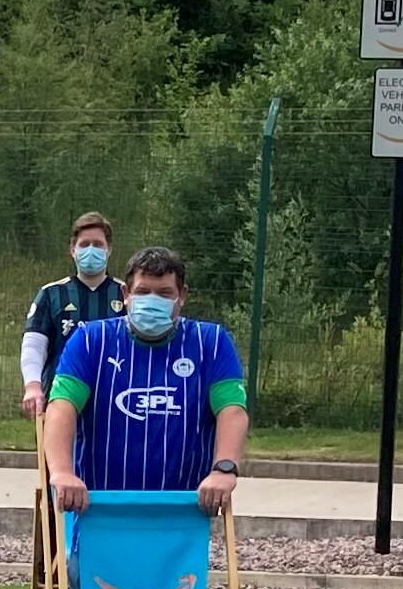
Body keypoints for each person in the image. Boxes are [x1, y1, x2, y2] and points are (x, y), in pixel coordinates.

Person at [41, 246, 249, 515]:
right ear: (126, 295)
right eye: (142, 292)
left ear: (181, 296)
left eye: (164, 293)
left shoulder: (211, 342)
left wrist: (224, 468)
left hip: (183, 512)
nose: (152, 300)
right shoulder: (90, 341)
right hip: (98, 508)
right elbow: (61, 407)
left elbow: (232, 409)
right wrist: (62, 472)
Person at [18, 212, 126, 418]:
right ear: (72, 250)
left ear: (109, 249)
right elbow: (34, 343)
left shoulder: (126, 294)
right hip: (60, 399)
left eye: (98, 244)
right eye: (84, 244)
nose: (91, 250)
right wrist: (32, 386)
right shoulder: (51, 293)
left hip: (115, 401)